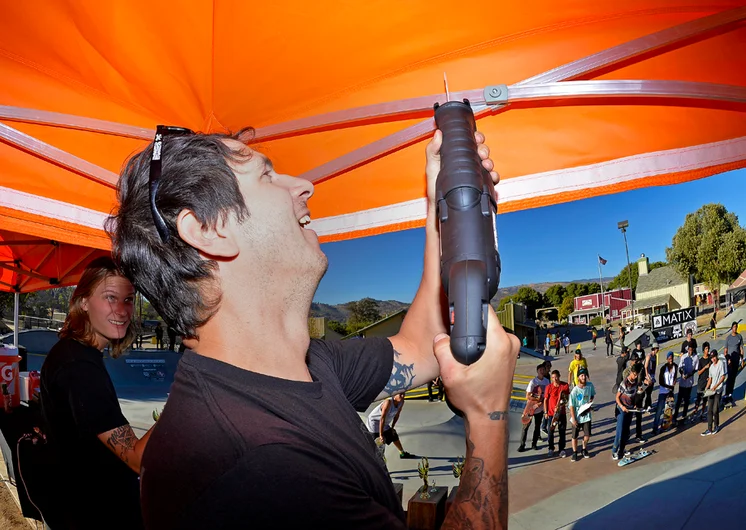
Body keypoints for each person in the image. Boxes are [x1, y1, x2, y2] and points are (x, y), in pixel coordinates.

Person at [109, 126, 519, 528]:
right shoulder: (260, 472)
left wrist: (441, 204)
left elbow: (421, 345)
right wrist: (487, 417)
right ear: (208, 231)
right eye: (266, 175)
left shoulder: (305, 362)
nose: (305, 186)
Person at [40, 257, 152, 529]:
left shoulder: (76, 353)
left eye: (128, 300)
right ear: (83, 302)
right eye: (111, 297)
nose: (123, 310)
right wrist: (185, 396)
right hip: (97, 513)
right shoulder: (79, 368)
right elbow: (137, 459)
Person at [366, 394, 414, 459]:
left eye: (404, 394)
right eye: (400, 394)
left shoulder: (401, 402)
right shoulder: (388, 402)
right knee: (379, 445)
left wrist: (392, 427)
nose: (403, 396)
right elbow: (382, 418)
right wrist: (381, 435)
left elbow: (397, 415)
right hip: (374, 424)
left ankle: (402, 453)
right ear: (394, 395)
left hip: (384, 423)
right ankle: (377, 462)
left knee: (393, 435)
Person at [612, 364, 642, 460]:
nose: (636, 376)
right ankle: (614, 451)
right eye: (634, 374)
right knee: (619, 431)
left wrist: (635, 404)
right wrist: (622, 406)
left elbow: (633, 395)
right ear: (631, 372)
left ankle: (622, 449)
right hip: (622, 409)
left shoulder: (635, 382)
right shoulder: (624, 383)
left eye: (637, 375)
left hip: (630, 409)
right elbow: (617, 397)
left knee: (626, 431)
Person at [518, 363, 549, 452]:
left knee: (537, 426)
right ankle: (522, 445)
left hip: (540, 408)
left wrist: (542, 402)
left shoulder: (547, 382)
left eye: (543, 370)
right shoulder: (533, 382)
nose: (542, 372)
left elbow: (547, 395)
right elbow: (527, 396)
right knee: (526, 426)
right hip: (531, 408)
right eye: (540, 370)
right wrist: (537, 398)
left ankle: (534, 444)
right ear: (537, 371)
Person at [568, 368, 595, 462]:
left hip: (586, 415)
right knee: (574, 436)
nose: (583, 377)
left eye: (584, 375)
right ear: (578, 377)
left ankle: (584, 449)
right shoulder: (575, 391)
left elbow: (592, 395)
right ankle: (574, 452)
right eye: (581, 375)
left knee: (587, 435)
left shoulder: (590, 386)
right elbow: (571, 406)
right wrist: (574, 418)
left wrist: (590, 401)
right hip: (577, 415)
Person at [544, 370, 570, 458]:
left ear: (559, 376)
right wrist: (545, 412)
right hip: (551, 414)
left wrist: (560, 406)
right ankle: (551, 448)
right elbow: (545, 400)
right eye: (553, 377)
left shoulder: (565, 386)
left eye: (556, 377)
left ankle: (562, 449)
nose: (555, 379)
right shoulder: (548, 387)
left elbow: (566, 399)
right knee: (550, 431)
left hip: (561, 413)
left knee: (562, 431)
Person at [701, 349, 727, 436]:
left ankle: (716, 425)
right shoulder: (711, 367)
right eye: (712, 358)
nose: (713, 359)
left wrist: (716, 386)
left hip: (718, 390)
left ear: (716, 356)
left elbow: (723, 377)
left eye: (714, 357)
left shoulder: (721, 364)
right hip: (711, 391)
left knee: (715, 409)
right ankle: (709, 429)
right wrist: (706, 388)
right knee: (709, 410)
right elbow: (710, 379)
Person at [652, 352, 677, 435]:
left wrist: (673, 384)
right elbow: (660, 381)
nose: (671, 360)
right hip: (663, 392)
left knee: (668, 411)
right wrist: (668, 387)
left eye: (672, 358)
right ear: (667, 359)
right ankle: (655, 428)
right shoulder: (663, 368)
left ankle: (664, 427)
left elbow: (675, 377)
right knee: (659, 410)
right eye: (669, 359)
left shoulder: (675, 367)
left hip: (670, 392)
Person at [673, 344, 699, 426]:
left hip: (690, 382)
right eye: (689, 350)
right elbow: (680, 367)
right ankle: (675, 416)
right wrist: (682, 374)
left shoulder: (696, 357)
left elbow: (696, 369)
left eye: (691, 350)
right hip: (682, 382)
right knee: (679, 400)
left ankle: (684, 416)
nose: (690, 351)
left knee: (687, 400)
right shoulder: (683, 356)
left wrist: (690, 374)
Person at [722, 321, 744, 407]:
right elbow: (725, 351)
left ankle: (730, 394)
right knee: (729, 378)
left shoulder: (739, 337)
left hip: (736, 359)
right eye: (734, 327)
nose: (735, 328)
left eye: (736, 327)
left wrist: (742, 359)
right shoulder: (728, 338)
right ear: (732, 328)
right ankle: (726, 394)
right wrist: (728, 359)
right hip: (730, 360)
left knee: (734, 377)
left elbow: (741, 349)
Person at [692, 342, 712, 423]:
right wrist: (705, 367)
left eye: (708, 348)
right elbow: (699, 372)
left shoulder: (710, 360)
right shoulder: (701, 361)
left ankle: (702, 413)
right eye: (706, 349)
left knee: (704, 400)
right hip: (701, 383)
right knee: (698, 400)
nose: (707, 350)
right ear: (703, 350)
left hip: (707, 383)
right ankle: (695, 413)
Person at [642, 343, 659, 412]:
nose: (658, 350)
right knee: (646, 392)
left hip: (652, 376)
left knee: (649, 392)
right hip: (647, 376)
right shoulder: (649, 356)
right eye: (657, 348)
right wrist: (647, 377)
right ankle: (647, 406)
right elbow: (645, 367)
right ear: (654, 349)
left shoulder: (655, 356)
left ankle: (648, 405)